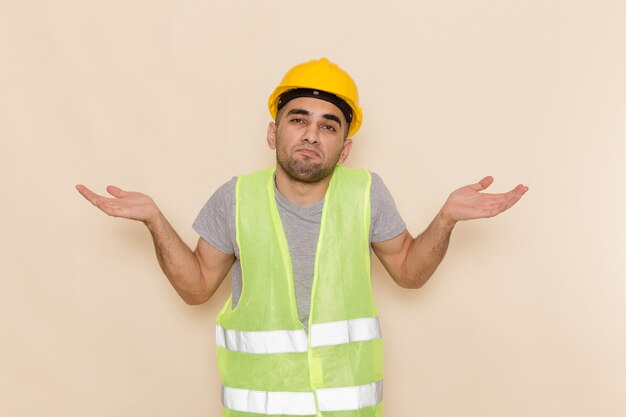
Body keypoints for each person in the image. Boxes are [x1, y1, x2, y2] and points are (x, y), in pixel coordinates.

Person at [76, 57, 528, 417]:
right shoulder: (235, 198)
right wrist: (155, 219)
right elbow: (195, 289)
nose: (312, 134)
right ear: (274, 132)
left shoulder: (367, 192)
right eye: (298, 119)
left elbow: (409, 273)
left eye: (329, 125)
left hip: (349, 412)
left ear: (344, 147)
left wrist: (446, 217)